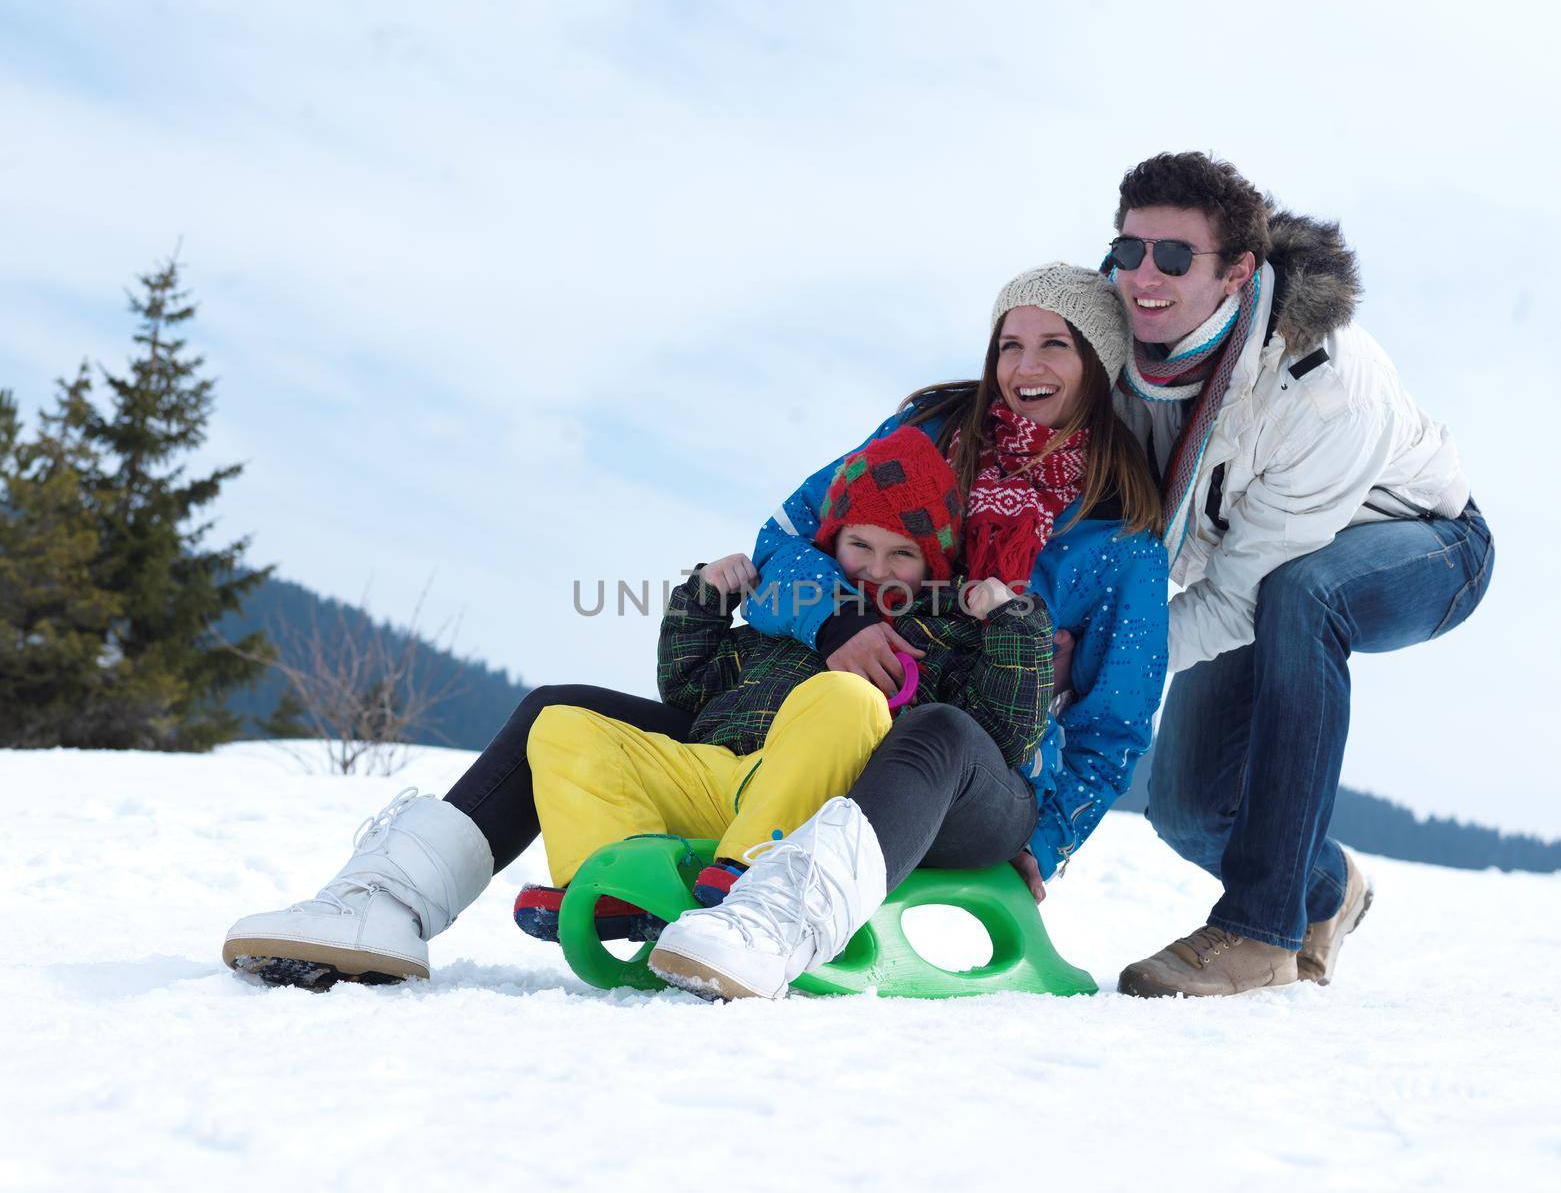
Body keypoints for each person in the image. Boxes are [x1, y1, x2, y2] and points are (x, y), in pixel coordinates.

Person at [644, 263, 1169, 1000]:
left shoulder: (1121, 540)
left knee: (942, 731)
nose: (1025, 367)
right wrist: (839, 620)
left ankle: (770, 925)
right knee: (570, 711)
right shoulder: (925, 438)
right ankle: (424, 886)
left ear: (1099, 364)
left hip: (982, 778)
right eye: (1007, 345)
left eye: (1055, 345)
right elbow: (785, 539)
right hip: (829, 728)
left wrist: (1046, 840)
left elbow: (1115, 721)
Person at [1102, 152, 1495, 998]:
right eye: (1128, 251)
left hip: (1426, 544)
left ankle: (1259, 931)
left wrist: (1108, 661)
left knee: (1304, 595)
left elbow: (1245, 594)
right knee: (1188, 810)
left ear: (1237, 271)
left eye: (1175, 257)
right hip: (1264, 568)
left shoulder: (1325, 390)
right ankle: (1326, 890)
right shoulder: (1121, 352)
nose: (1144, 276)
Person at [512, 424, 1055, 942]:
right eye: (860, 545)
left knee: (845, 697)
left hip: (821, 811)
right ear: (832, 544)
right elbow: (688, 691)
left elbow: (999, 737)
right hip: (721, 780)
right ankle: (615, 880)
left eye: (902, 554)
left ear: (932, 560)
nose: (875, 568)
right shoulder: (795, 618)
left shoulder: (941, 637)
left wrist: (1012, 625)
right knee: (563, 727)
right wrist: (706, 599)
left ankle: (759, 877)